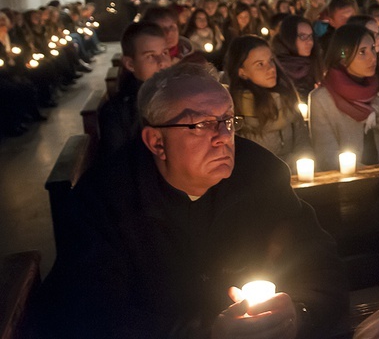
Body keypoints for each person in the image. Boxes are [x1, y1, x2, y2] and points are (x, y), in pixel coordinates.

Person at [30, 63, 348, 338]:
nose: (223, 136)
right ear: (156, 142)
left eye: (227, 120)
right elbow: (92, 314)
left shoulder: (261, 174)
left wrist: (299, 315)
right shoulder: (105, 199)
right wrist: (205, 333)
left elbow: (316, 258)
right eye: (200, 124)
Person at [309, 25, 379, 172]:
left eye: (373, 48)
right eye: (362, 52)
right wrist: (365, 176)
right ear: (343, 57)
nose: (372, 57)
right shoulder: (321, 99)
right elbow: (327, 153)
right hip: (349, 182)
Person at [225, 36, 312, 169]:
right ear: (242, 72)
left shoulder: (287, 99)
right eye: (260, 64)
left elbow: (303, 144)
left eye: (271, 61)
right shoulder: (234, 110)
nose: (271, 68)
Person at [98, 22, 171, 158]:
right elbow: (118, 162)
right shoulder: (118, 112)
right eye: (150, 56)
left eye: (165, 52)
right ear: (130, 64)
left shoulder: (179, 92)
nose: (162, 61)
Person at [270, 15, 323, 101]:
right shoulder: (275, 68)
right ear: (289, 38)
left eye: (310, 36)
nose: (309, 42)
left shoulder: (316, 63)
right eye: (303, 36)